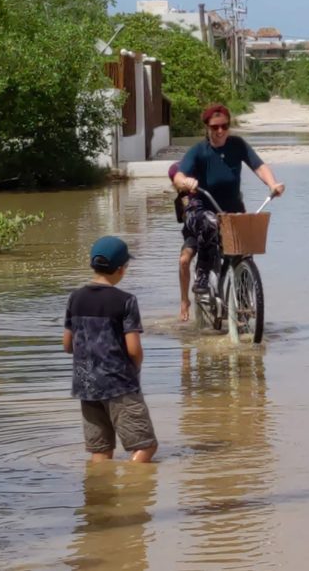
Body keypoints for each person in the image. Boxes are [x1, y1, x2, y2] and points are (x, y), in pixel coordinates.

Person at [171, 103, 285, 301]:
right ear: (207, 128)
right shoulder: (199, 151)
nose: (220, 131)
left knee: (245, 246)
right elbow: (178, 175)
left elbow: (259, 167)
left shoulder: (237, 145)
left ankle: (242, 297)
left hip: (231, 209)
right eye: (215, 127)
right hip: (201, 209)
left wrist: (272, 184)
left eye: (224, 126)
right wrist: (185, 181)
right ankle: (203, 275)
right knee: (209, 223)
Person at [63, 236, 157, 463]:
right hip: (119, 383)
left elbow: (67, 345)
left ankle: (99, 491)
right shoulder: (126, 301)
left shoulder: (75, 298)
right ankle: (131, 487)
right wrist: (133, 371)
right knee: (146, 446)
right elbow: (134, 350)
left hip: (85, 385)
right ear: (120, 269)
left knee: (101, 451)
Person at [168, 161, 197, 322]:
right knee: (184, 260)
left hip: (217, 228)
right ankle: (184, 300)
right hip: (193, 233)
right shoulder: (176, 171)